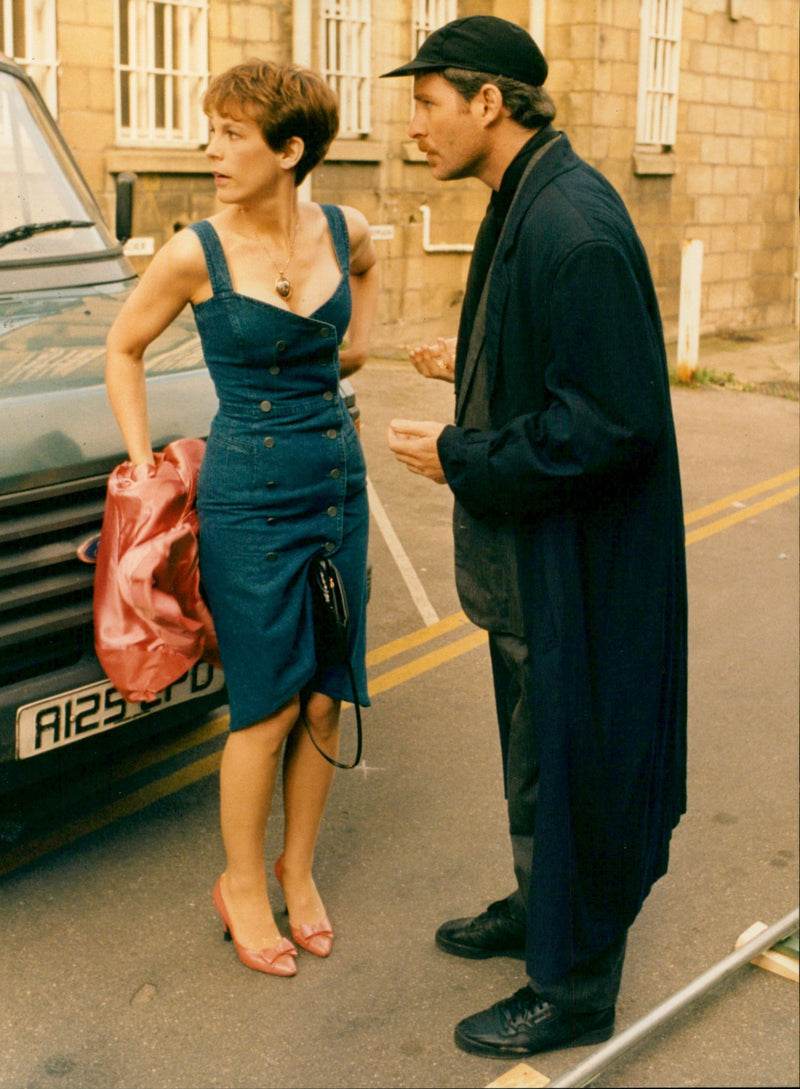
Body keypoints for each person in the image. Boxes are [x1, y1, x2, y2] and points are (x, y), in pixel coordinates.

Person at [382, 16, 687, 1057]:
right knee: (534, 757)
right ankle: (540, 906)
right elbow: (554, 361)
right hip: (528, 566)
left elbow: (610, 424)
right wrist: (469, 360)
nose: (412, 125)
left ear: (488, 102)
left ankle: (574, 987)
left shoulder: (572, 223)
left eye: (427, 102)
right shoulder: (525, 195)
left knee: (573, 768)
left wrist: (459, 454)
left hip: (577, 574)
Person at [105, 59, 379, 977]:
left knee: (328, 693)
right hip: (249, 500)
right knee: (266, 706)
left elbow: (367, 272)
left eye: (232, 135)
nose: (211, 150)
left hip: (337, 484)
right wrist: (142, 462)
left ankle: (297, 868)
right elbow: (123, 347)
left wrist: (361, 346)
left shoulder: (345, 228)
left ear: (290, 150)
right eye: (211, 131)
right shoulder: (196, 253)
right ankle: (241, 882)